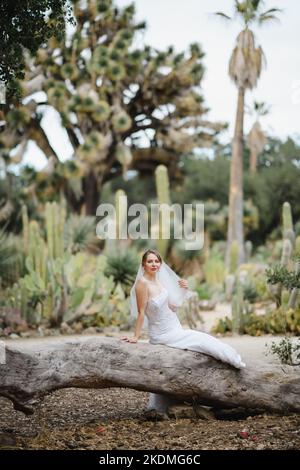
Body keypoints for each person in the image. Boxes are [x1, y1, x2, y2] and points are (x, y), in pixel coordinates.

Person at [121, 249, 246, 413]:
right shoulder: (142, 284)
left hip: (174, 326)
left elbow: (172, 306)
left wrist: (183, 290)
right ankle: (233, 360)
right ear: (143, 264)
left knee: (200, 339)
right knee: (200, 339)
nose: (154, 264)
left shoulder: (159, 281)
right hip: (162, 333)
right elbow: (141, 312)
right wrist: (136, 337)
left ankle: (234, 360)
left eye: (156, 261)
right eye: (150, 261)